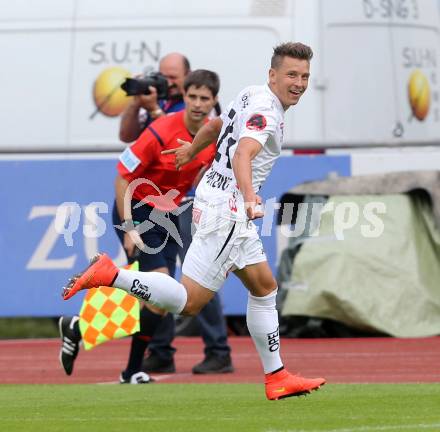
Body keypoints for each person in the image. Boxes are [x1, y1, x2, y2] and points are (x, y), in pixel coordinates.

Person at [62, 42, 326, 399]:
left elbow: (217, 123)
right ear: (273, 74)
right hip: (229, 210)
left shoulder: (251, 93)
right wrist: (249, 195)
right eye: (292, 74)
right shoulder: (269, 112)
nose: (299, 83)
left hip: (215, 202)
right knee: (188, 302)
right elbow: (244, 153)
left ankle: (276, 375)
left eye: (305, 76)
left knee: (264, 287)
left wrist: (191, 148)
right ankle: (112, 275)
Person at [59, 56, 233, 379]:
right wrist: (128, 228)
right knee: (160, 289)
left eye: (204, 98)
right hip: (137, 210)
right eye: (191, 96)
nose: (197, 104)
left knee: (157, 298)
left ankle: (82, 331)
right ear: (184, 96)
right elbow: (122, 177)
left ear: (214, 102)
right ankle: (132, 368)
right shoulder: (161, 129)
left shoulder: (214, 137)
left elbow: (198, 179)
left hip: (168, 216)